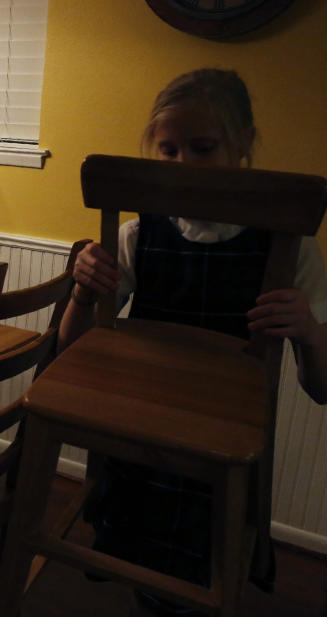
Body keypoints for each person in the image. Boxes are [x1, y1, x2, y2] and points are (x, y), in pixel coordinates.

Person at [58, 68, 327, 614]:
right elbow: (68, 356)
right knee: (143, 560)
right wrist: (83, 294)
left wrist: (309, 331)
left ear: (243, 145)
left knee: (200, 571)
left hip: (221, 443)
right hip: (139, 429)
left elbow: (321, 388)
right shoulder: (138, 233)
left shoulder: (287, 251)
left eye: (202, 148)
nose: (184, 167)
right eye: (169, 151)